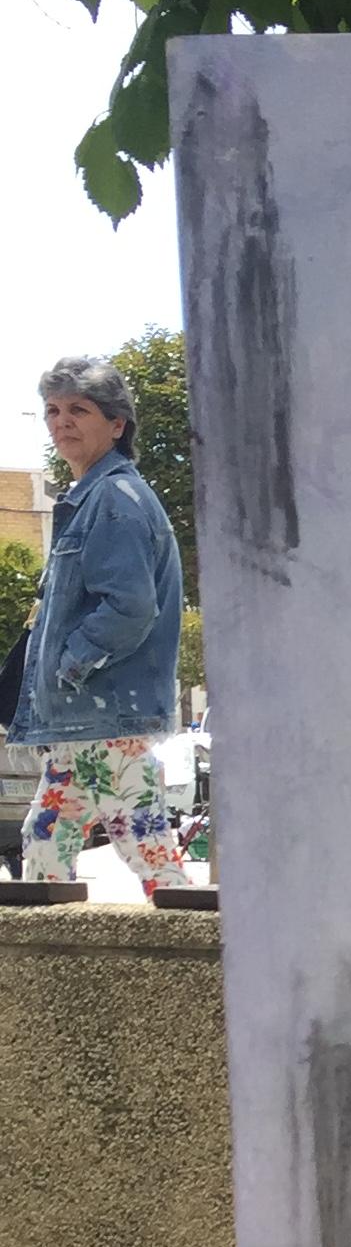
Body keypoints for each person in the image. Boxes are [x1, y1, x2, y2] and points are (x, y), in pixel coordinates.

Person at [6, 357, 188, 894]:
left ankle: (206, 945)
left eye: (78, 410)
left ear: (116, 424)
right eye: (53, 410)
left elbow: (130, 606)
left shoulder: (112, 500)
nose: (61, 421)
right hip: (85, 721)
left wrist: (70, 664)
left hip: (105, 717)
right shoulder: (93, 498)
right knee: (47, 842)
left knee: (144, 846)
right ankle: (48, 946)